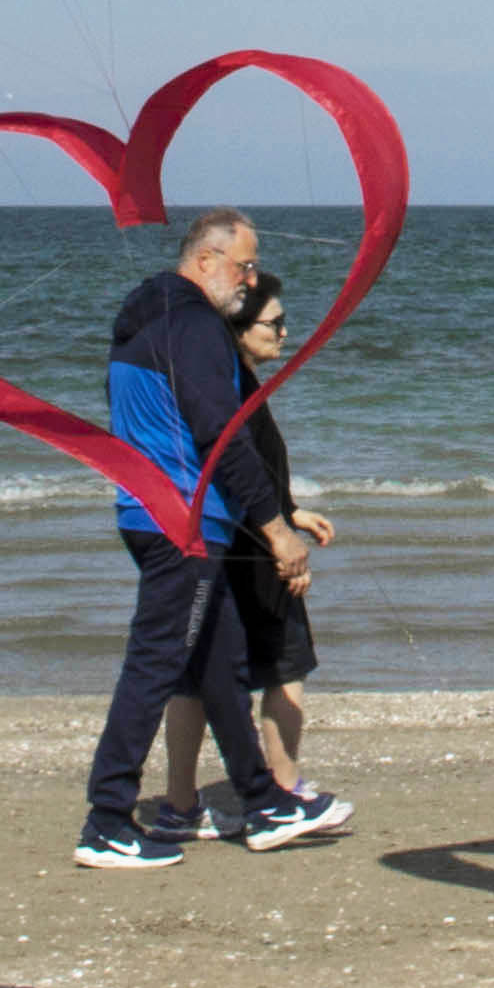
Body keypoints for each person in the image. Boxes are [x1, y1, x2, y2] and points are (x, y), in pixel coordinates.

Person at [74, 207, 356, 867]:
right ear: (204, 261)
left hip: (166, 518)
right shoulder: (194, 323)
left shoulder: (151, 310)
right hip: (178, 525)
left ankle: (263, 803)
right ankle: (107, 820)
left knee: (222, 666)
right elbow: (219, 436)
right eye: (244, 264)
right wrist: (276, 531)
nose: (249, 278)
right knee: (154, 665)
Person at [160, 268, 334, 834]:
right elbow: (237, 473)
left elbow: (248, 472)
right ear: (237, 329)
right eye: (273, 323)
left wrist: (291, 509)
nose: (284, 333)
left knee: (193, 676)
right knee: (286, 666)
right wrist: (283, 547)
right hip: (249, 553)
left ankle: (181, 804)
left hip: (212, 544)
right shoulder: (236, 391)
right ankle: (286, 788)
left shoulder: (217, 384)